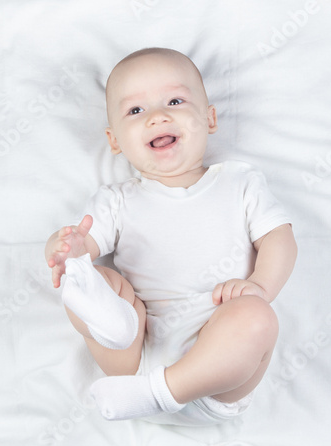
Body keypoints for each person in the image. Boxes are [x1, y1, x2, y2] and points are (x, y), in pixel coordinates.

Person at [44, 47, 297, 425]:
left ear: (209, 117)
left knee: (257, 318)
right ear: (115, 141)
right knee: (88, 280)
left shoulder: (239, 182)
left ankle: (163, 391)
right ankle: (115, 328)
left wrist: (260, 286)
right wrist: (67, 251)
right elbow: (78, 245)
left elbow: (279, 238)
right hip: (135, 351)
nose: (157, 116)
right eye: (135, 111)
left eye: (175, 101)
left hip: (216, 373)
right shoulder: (116, 201)